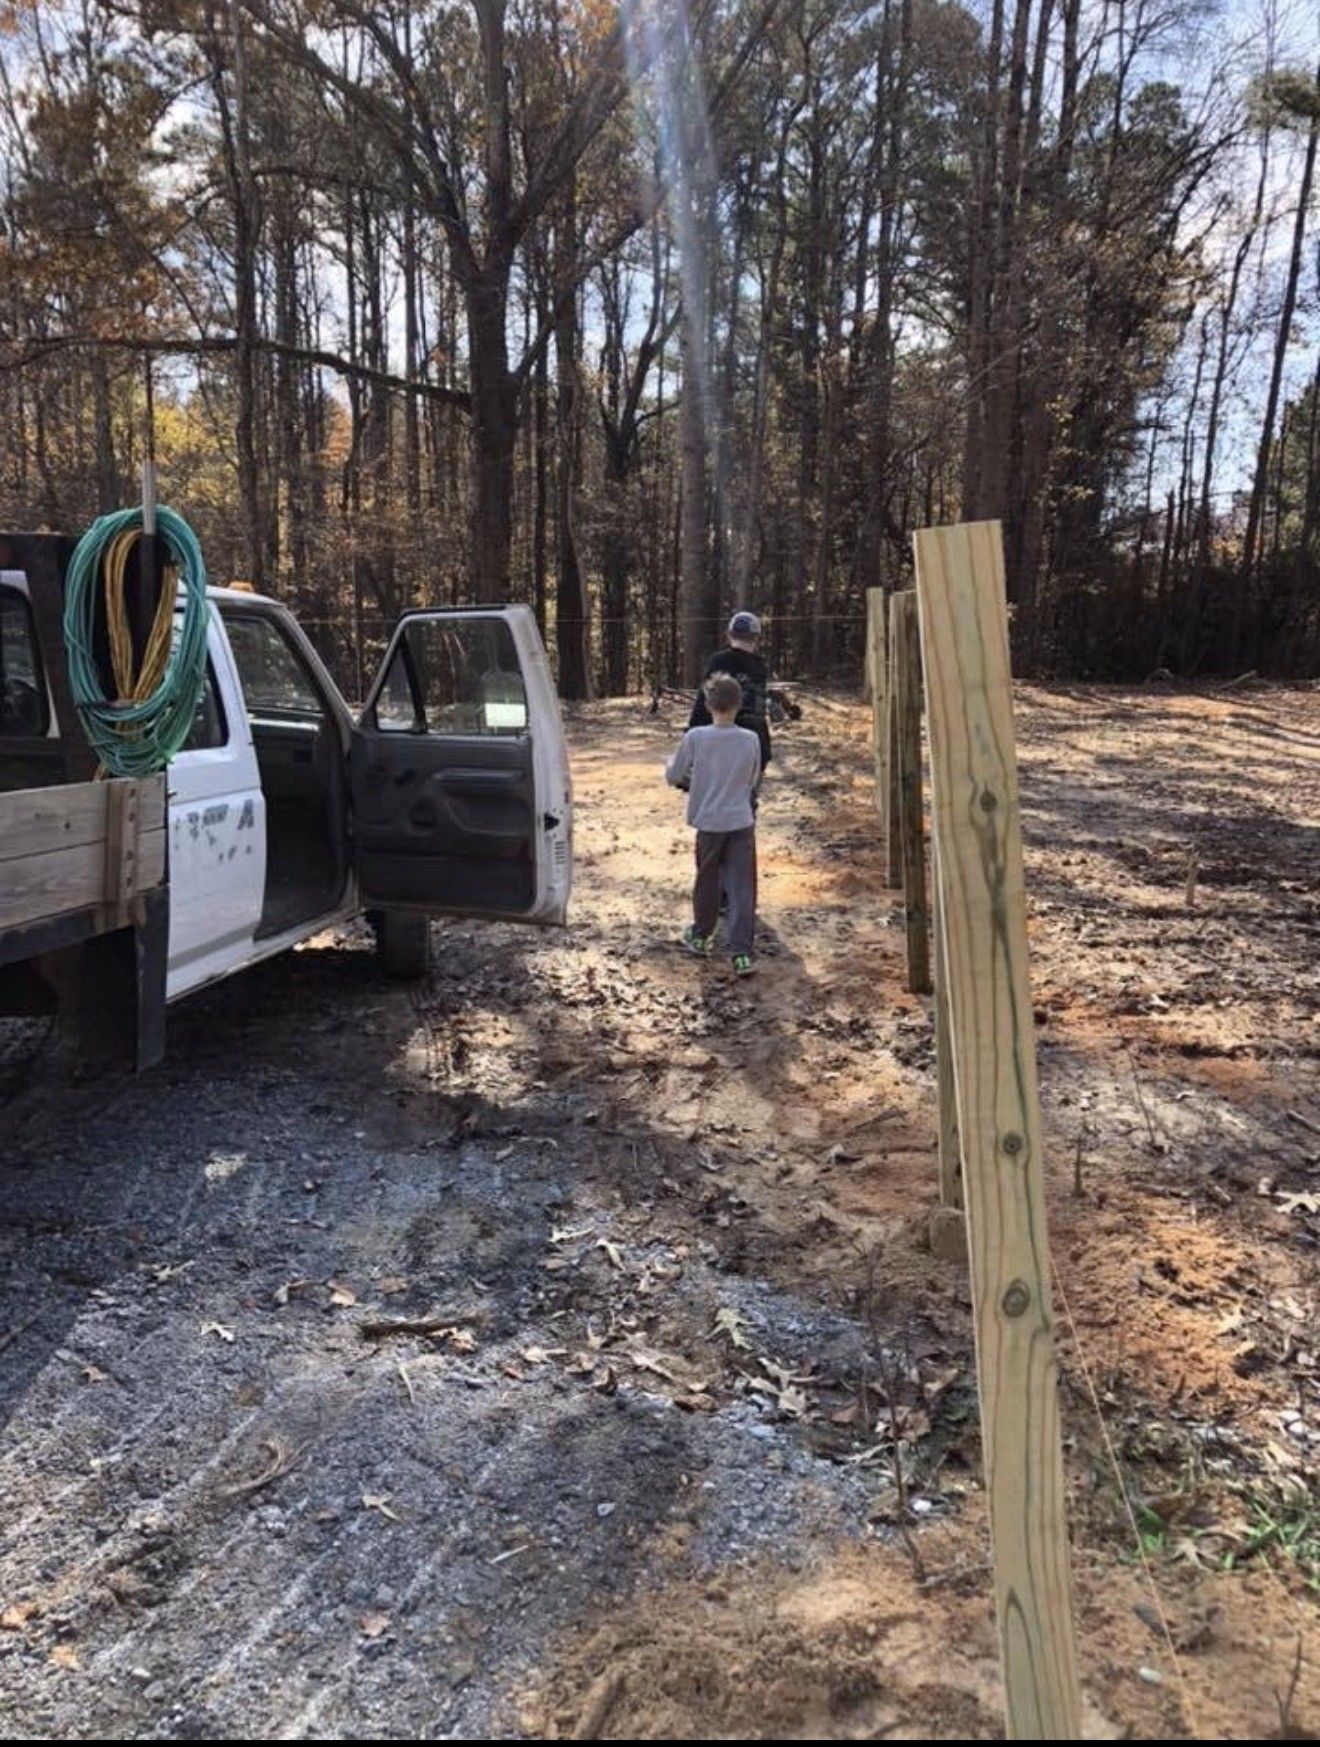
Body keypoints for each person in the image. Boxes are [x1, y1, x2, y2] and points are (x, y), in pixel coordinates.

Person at [665, 672, 761, 976]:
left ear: (707, 704)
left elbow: (674, 774)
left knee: (707, 880)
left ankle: (701, 936)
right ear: (739, 704)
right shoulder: (750, 739)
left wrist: (685, 777)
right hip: (741, 821)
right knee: (742, 887)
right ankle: (742, 954)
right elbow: (753, 779)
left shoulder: (696, 738)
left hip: (709, 822)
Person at [688, 610, 772, 776]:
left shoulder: (718, 660)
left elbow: (704, 699)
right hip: (754, 740)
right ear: (756, 637)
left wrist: (693, 729)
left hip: (718, 737)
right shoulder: (760, 666)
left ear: (729, 634)